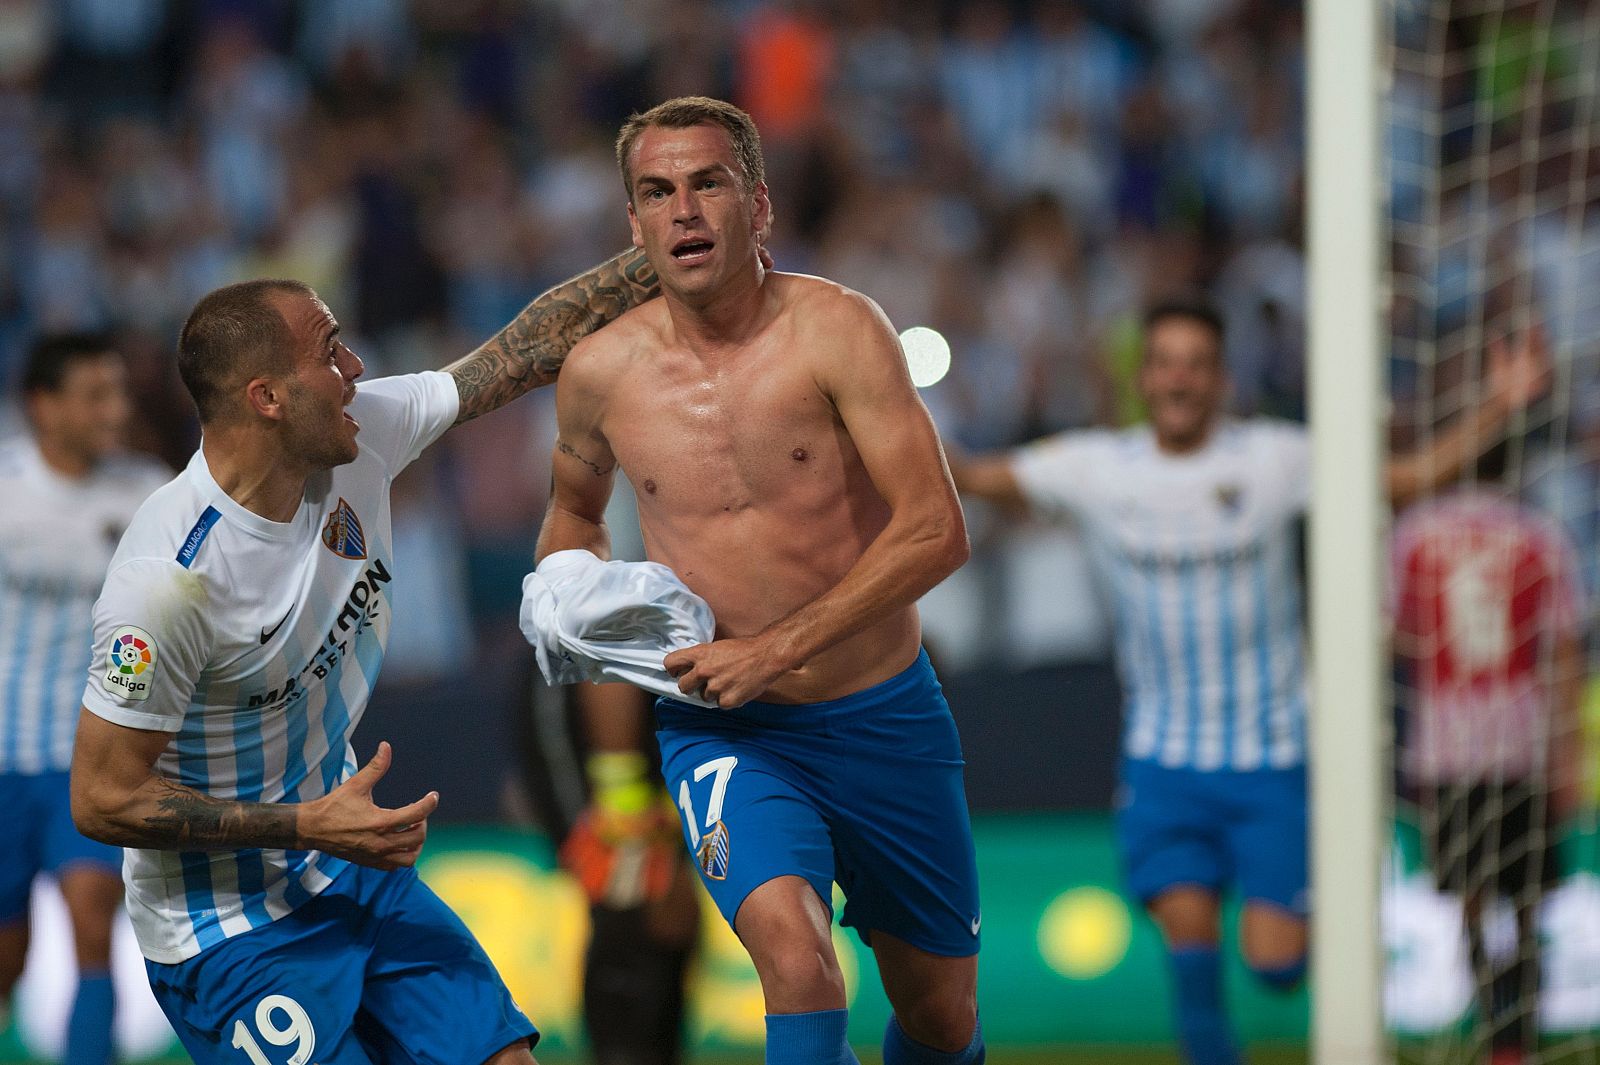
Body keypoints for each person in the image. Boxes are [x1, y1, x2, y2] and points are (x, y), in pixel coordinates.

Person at [67, 247, 662, 1065]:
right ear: (266, 398)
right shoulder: (167, 583)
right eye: (330, 350)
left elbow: (521, 350)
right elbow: (101, 799)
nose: (355, 366)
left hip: (353, 878)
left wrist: (664, 256)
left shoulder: (366, 431)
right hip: (229, 933)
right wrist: (305, 823)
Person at [948, 302, 1549, 1065]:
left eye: (1196, 363)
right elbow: (971, 473)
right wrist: (874, 417)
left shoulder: (1274, 459)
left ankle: (1320, 911)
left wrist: (1502, 402)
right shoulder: (1097, 468)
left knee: (1275, 964)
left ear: (1221, 379)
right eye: (1165, 360)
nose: (1179, 378)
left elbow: (1409, 478)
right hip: (1164, 761)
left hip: (1274, 756)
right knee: (1190, 948)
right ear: (1144, 377)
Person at [536, 96, 980, 1065]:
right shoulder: (599, 373)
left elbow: (938, 532)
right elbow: (571, 517)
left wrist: (773, 648)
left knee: (940, 1017)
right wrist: (567, 597)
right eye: (658, 192)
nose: (683, 211)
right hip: (724, 730)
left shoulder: (839, 329)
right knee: (797, 963)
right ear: (634, 224)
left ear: (760, 206)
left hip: (882, 714)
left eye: (707, 184)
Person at [0, 334, 171, 1065]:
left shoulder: (146, 492)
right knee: (8, 955)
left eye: (119, 393)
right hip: (3, 760)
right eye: (95, 395)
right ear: (44, 405)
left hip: (87, 759)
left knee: (93, 926)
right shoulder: (5, 490)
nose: (115, 410)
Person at [1391, 441, 1586, 1065]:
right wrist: (1570, 755)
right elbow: (1564, 653)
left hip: (1446, 750)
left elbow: (1392, 633)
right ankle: (1517, 1041)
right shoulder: (1539, 536)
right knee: (1527, 901)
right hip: (1520, 745)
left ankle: (1491, 1027)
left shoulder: (1415, 535)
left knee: (1469, 903)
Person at [516, 676, 699, 1065]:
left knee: (671, 917)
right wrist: (624, 800)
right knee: (628, 907)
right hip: (599, 730)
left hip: (642, 730)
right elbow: (607, 647)